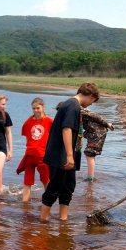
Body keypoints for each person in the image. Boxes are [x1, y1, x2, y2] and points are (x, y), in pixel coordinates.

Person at [39, 82, 100, 222]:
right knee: (54, 188)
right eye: (93, 101)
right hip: (61, 155)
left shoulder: (72, 105)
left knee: (68, 187)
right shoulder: (72, 106)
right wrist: (70, 155)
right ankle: (43, 221)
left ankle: (63, 219)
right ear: (90, 96)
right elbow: (66, 129)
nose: (91, 104)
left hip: (67, 154)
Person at [17, 98, 54, 202]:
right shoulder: (28, 122)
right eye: (33, 108)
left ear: (43, 107)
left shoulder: (50, 121)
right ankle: (25, 204)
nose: (36, 110)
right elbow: (27, 138)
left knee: (46, 180)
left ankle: (48, 202)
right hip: (30, 155)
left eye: (38, 108)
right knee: (27, 182)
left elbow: (54, 138)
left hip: (42, 156)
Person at [81, 107, 114, 182]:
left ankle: (90, 179)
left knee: (90, 153)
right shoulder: (77, 109)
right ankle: (91, 177)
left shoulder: (79, 109)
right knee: (90, 153)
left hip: (97, 132)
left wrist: (107, 124)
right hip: (94, 131)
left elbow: (95, 116)